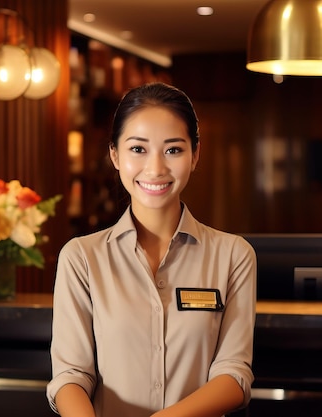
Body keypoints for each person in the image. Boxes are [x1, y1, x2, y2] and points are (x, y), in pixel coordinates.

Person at [47, 82, 257, 417]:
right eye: (138, 149)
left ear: (195, 155)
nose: (156, 168)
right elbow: (71, 375)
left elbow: (233, 374)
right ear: (115, 155)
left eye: (173, 150)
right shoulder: (81, 257)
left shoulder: (234, 255)